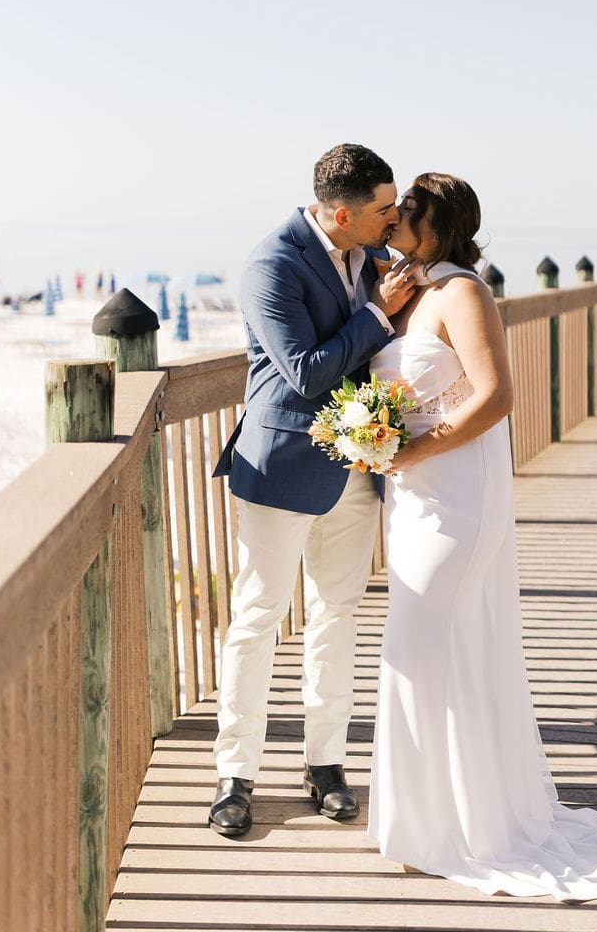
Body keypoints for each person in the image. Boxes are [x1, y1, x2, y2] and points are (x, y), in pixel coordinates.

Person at [369, 172, 597, 901]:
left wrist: (412, 450)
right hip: (413, 497)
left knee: (413, 646)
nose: (395, 216)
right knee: (445, 649)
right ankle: (443, 817)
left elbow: (496, 395)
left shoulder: (465, 291)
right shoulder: (409, 290)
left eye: (409, 210)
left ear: (441, 223)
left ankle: (456, 827)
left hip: (458, 494)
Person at [208, 143, 417, 839]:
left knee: (338, 616)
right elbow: (304, 370)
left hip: (356, 467)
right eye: (384, 208)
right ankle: (235, 774)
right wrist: (379, 314)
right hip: (281, 467)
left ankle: (326, 764)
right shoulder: (272, 264)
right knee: (259, 617)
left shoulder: (374, 256)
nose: (396, 215)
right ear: (340, 213)